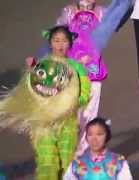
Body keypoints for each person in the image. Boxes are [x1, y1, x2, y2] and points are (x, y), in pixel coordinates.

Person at [1, 25, 91, 179]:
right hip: (43, 124)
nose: (60, 44)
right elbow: (29, 92)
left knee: (66, 161)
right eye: (56, 41)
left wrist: (74, 102)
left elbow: (85, 93)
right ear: (50, 43)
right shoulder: (40, 65)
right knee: (47, 162)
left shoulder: (77, 67)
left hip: (67, 122)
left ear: (70, 43)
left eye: (64, 41)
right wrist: (30, 70)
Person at [55, 0, 131, 155]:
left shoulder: (103, 12)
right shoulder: (68, 12)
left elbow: (120, 16)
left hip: (93, 72)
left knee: (89, 116)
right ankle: (64, 151)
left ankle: (82, 153)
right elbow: (57, 39)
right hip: (70, 73)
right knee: (69, 116)